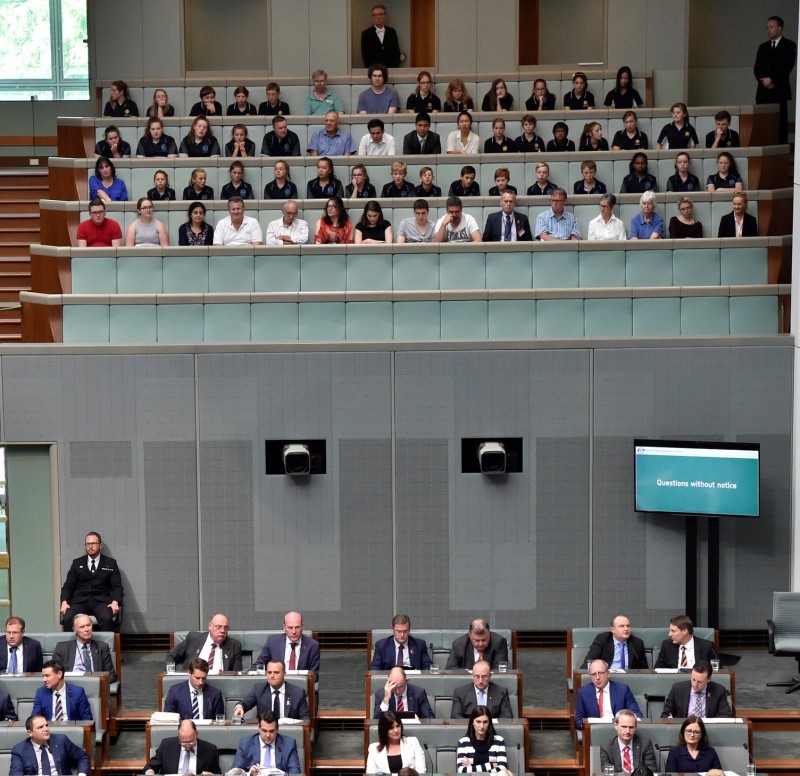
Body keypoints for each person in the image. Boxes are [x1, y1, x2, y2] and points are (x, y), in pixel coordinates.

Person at [60, 531, 123, 630]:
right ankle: (71, 645)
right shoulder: (77, 563)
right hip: (80, 601)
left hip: (101, 601)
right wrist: (64, 602)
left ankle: (105, 645)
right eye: (88, 544)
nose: (90, 546)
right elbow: (68, 586)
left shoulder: (111, 563)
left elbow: (117, 586)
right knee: (68, 617)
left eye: (93, 543)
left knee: (107, 618)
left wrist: (116, 601)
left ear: (100, 545)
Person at [754, 15, 797, 144]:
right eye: (768, 27)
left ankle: (780, 149)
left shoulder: (789, 45)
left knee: (780, 122)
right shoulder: (763, 47)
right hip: (763, 91)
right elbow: (757, 68)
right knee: (763, 121)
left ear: (780, 28)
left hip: (779, 90)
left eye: (772, 27)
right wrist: (764, 80)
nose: (769, 30)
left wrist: (772, 80)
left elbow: (787, 66)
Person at [10, 715, 90, 776]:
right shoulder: (19, 750)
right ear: (30, 733)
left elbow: (83, 757)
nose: (46, 729)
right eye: (40, 727)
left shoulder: (61, 740)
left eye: (46, 725)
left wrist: (81, 774)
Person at [233, 659, 310, 721]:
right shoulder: (259, 689)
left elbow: (305, 719)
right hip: (266, 734)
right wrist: (240, 707)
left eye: (276, 672)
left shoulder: (298, 693)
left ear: (284, 674)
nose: (272, 676)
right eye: (269, 672)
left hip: (288, 734)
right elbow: (245, 703)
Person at [574, 659, 642, 730]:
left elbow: (636, 714)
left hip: (620, 731)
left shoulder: (623, 690)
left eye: (600, 673)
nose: (597, 678)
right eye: (594, 674)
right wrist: (588, 725)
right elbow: (578, 721)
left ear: (608, 674)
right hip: (596, 731)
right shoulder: (583, 692)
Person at [166, 613, 243, 672]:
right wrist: (172, 675)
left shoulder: (234, 645)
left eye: (225, 627)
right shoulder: (193, 638)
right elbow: (171, 655)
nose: (223, 631)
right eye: (218, 627)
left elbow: (236, 674)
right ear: (210, 626)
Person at [252, 611, 319, 678]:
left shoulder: (312, 646)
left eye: (297, 627)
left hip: (299, 685)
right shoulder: (272, 642)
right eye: (290, 628)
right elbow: (259, 665)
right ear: (284, 627)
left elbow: (314, 676)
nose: (294, 632)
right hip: (276, 684)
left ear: (302, 627)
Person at [53, 613, 117, 682]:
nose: (86, 629)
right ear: (75, 630)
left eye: (88, 625)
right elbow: (55, 673)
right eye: (82, 627)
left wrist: (96, 684)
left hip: (94, 685)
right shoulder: (62, 648)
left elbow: (111, 675)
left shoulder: (102, 647)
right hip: (70, 686)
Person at [232, 711, 301, 774]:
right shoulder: (245, 744)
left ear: (277, 729)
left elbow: (295, 773)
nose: (268, 735)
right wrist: (249, 774)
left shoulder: (289, 744)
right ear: (259, 727)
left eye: (271, 731)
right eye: (264, 731)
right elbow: (235, 773)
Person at [144, 719, 220, 775]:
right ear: (178, 735)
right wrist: (150, 772)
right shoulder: (166, 745)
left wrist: (211, 775)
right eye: (183, 742)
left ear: (196, 733)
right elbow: (150, 766)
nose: (187, 745)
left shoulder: (210, 749)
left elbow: (217, 774)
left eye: (190, 741)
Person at [662, 660, 732, 718]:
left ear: (709, 679)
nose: (695, 685)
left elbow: (725, 715)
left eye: (700, 682)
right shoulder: (677, 689)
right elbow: (665, 714)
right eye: (693, 679)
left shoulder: (719, 690)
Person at [582, 615, 647, 668]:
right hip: (608, 678)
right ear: (613, 630)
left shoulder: (637, 643)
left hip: (629, 679)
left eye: (628, 626)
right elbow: (590, 661)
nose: (626, 629)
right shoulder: (603, 639)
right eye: (621, 626)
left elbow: (644, 669)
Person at [654, 615, 719, 668]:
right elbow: (657, 669)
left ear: (684, 631)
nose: (669, 634)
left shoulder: (707, 646)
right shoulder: (667, 645)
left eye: (673, 631)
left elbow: (717, 671)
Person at [457, 705, 507, 773]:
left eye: (485, 722)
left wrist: (472, 768)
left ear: (489, 723)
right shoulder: (463, 742)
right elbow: (462, 770)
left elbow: (502, 769)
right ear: (472, 722)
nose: (482, 726)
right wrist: (491, 765)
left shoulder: (499, 741)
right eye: (478, 722)